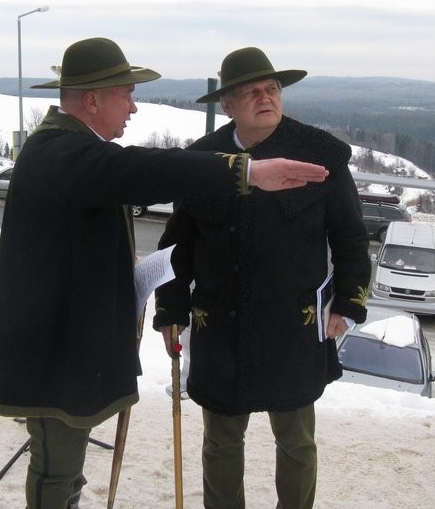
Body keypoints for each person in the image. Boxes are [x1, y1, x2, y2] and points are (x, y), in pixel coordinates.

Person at [0, 37, 330, 509]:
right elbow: (142, 169)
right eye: (126, 94)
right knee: (55, 468)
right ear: (92, 100)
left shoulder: (71, 149)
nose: (133, 107)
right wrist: (246, 172)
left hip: (62, 342)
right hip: (51, 348)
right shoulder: (62, 153)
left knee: (65, 465)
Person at [153, 47, 371, 509]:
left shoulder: (320, 155)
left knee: (296, 442)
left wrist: (349, 301)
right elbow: (178, 245)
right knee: (220, 441)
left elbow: (351, 237)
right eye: (251, 92)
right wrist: (171, 308)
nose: (265, 97)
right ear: (227, 104)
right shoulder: (203, 160)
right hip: (221, 326)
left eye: (272, 88)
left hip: (292, 328)